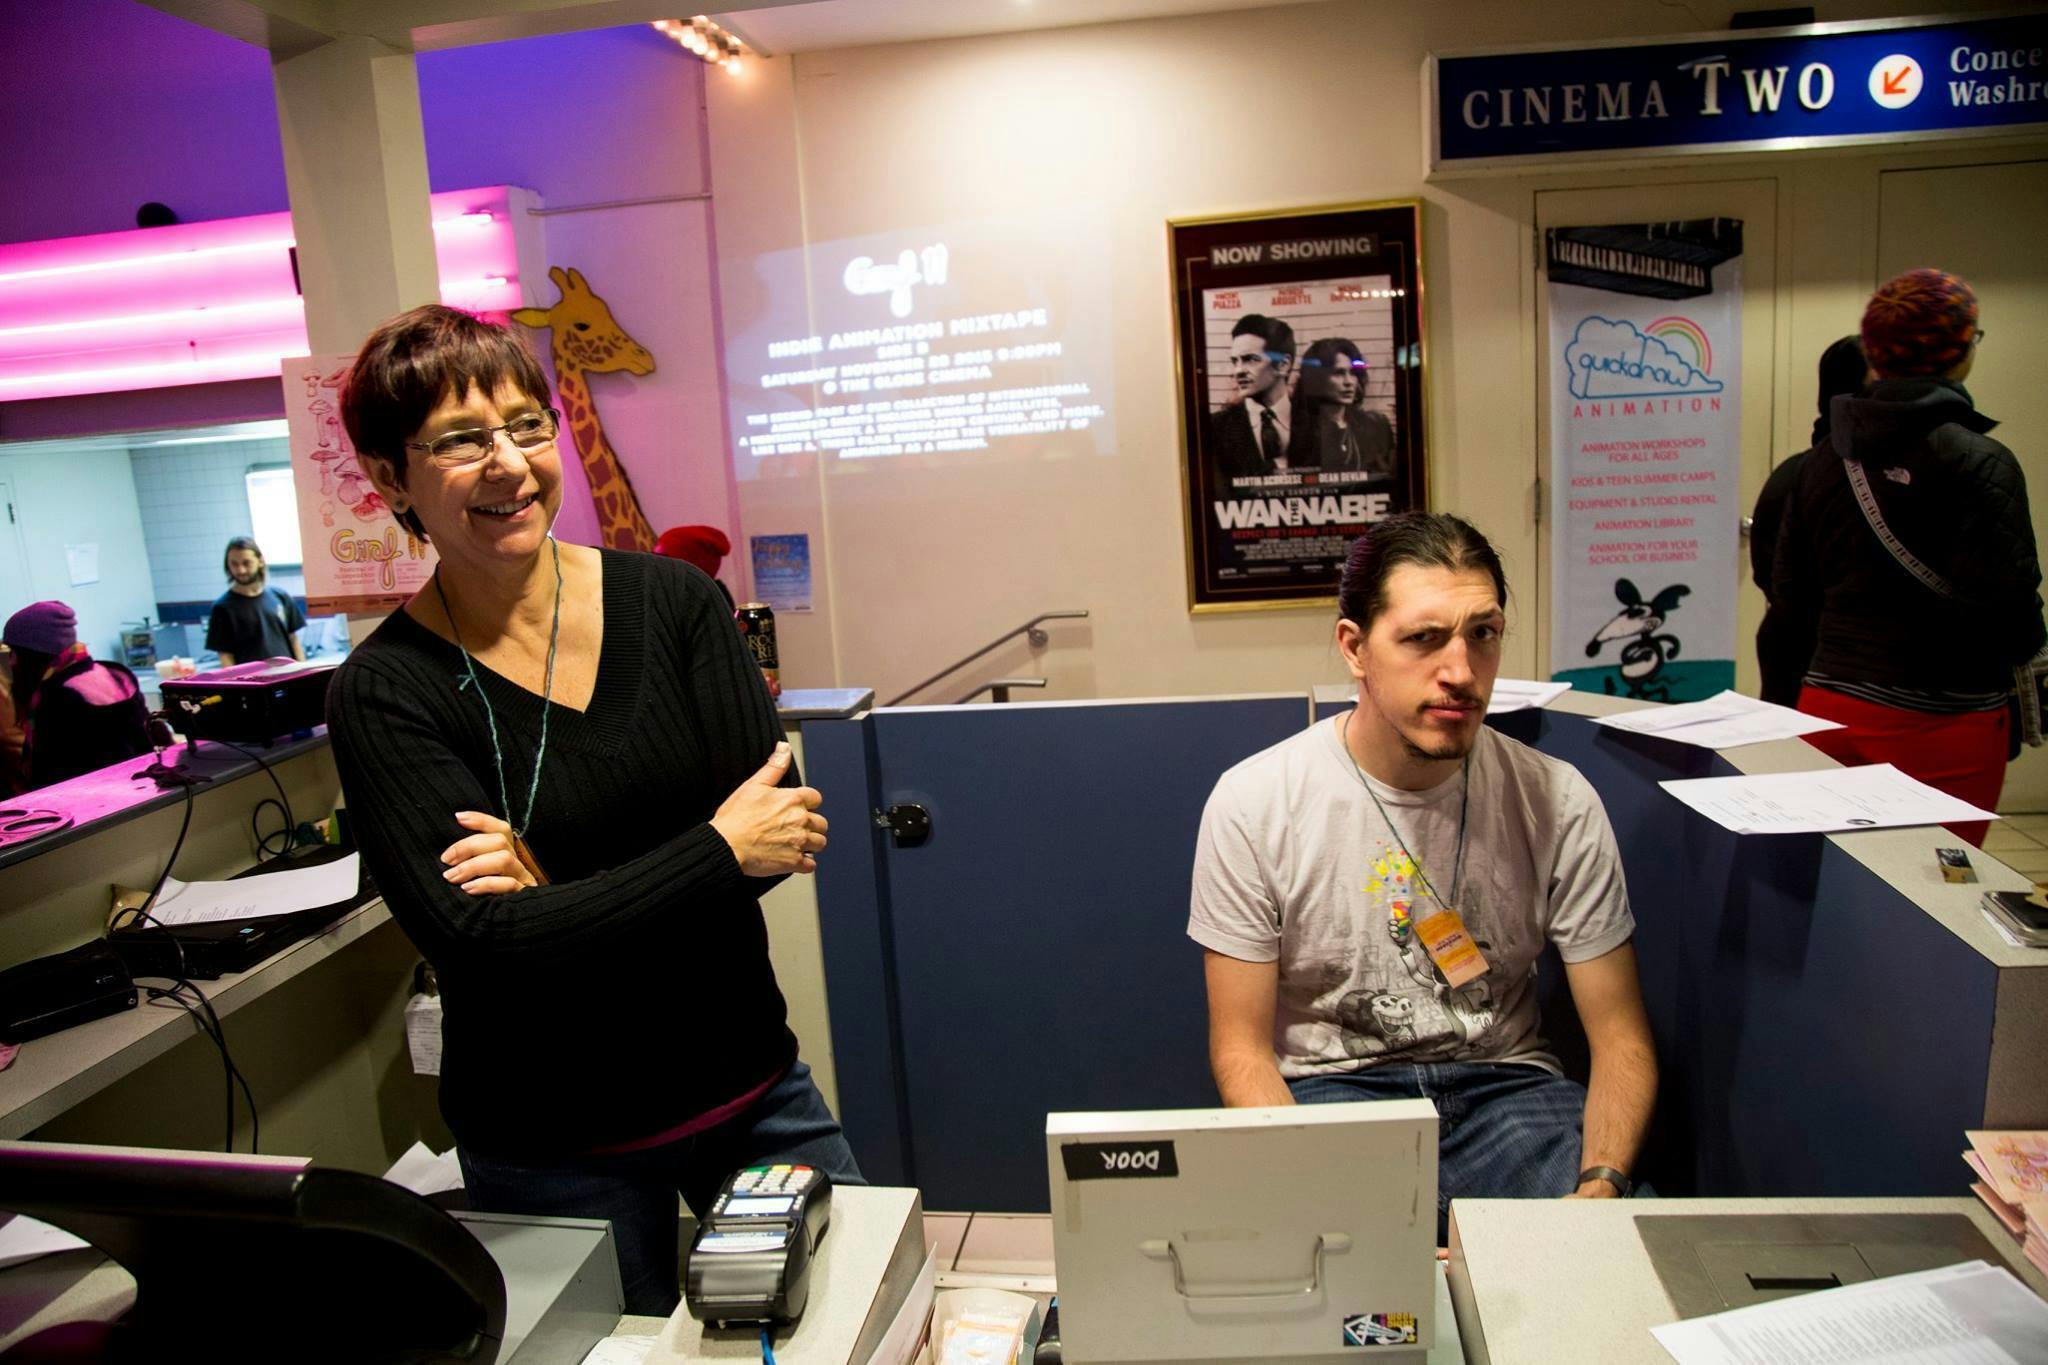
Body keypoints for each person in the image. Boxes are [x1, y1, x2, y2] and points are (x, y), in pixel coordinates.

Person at [326, 304, 859, 1316]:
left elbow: (779, 832)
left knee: (859, 1328)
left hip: (749, 1093)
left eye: (527, 426)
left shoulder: (677, 607)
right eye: (459, 442)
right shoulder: (386, 691)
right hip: (545, 1146)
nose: (509, 464)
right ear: (392, 478)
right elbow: (477, 941)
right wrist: (707, 849)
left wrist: (554, 893)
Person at [1189, 512, 1657, 1243]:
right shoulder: (1255, 803)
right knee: (1328, 1307)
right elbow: (1241, 1051)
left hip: (1508, 1093)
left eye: (1483, 633)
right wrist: (1300, 1180)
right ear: (1355, 647)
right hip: (1332, 1095)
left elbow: (1622, 1037)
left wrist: (1601, 1185)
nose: (1461, 672)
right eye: (1423, 637)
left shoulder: (1556, 799)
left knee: (1618, 1273)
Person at [1774, 270, 2044, 847]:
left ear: (1874, 353)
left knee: (1836, 886)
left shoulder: (1822, 461)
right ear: (1961, 351)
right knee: (1933, 894)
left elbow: (1791, 594)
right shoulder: (1980, 460)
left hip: (1828, 702)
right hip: (1942, 718)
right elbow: (2009, 609)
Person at [1750, 337, 1865, 707]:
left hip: (1790, 657)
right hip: (1834, 673)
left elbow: (1766, 576)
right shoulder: (1828, 479)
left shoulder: (1795, 471)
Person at [3, 601, 149, 791]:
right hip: (141, 794)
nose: (12, 661)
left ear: (37, 652)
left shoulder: (57, 696)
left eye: (16, 652)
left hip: (90, 805)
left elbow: (50, 774)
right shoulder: (115, 674)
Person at [1286, 336, 1396, 478]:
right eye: (1339, 373)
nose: (1349, 382)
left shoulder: (1376, 425)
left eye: (1353, 373)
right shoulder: (1296, 430)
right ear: (1316, 378)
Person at [1206, 314, 1296, 481]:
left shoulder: (1317, 422)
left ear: (1283, 365)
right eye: (1235, 361)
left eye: (1251, 360)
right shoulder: (1213, 429)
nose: (1238, 371)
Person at [205, 536, 307, 666]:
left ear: (260, 561)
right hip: (252, 684)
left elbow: (293, 640)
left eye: (246, 563)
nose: (240, 570)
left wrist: (304, 671)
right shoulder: (222, 608)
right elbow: (225, 655)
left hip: (287, 679)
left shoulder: (280, 597)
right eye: (234, 564)